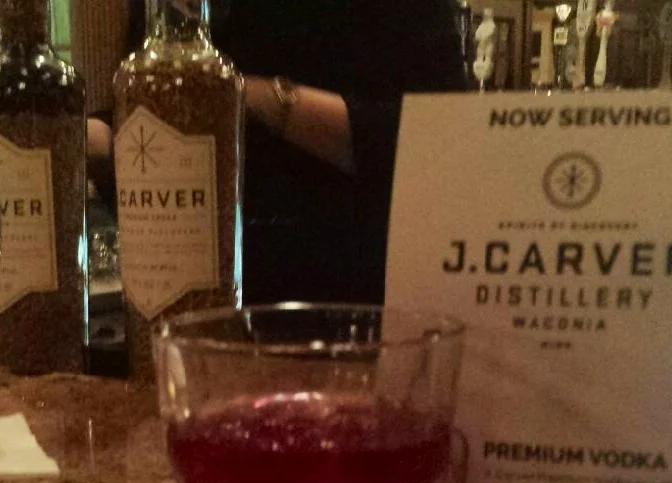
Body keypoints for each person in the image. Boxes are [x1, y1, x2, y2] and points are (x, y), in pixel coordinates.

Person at [90, 0, 467, 305]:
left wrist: (254, 96)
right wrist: (95, 138)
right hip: (192, 298)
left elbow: (442, 139)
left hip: (347, 298)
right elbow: (161, 123)